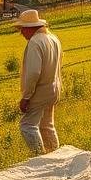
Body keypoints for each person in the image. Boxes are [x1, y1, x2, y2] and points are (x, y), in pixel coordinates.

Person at [15, 9, 63, 155]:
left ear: (30, 28)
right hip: (54, 88)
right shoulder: (53, 38)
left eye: (22, 28)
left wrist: (26, 97)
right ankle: (55, 156)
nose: (21, 32)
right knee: (47, 125)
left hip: (40, 91)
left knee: (27, 125)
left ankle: (40, 157)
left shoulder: (35, 42)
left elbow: (34, 72)